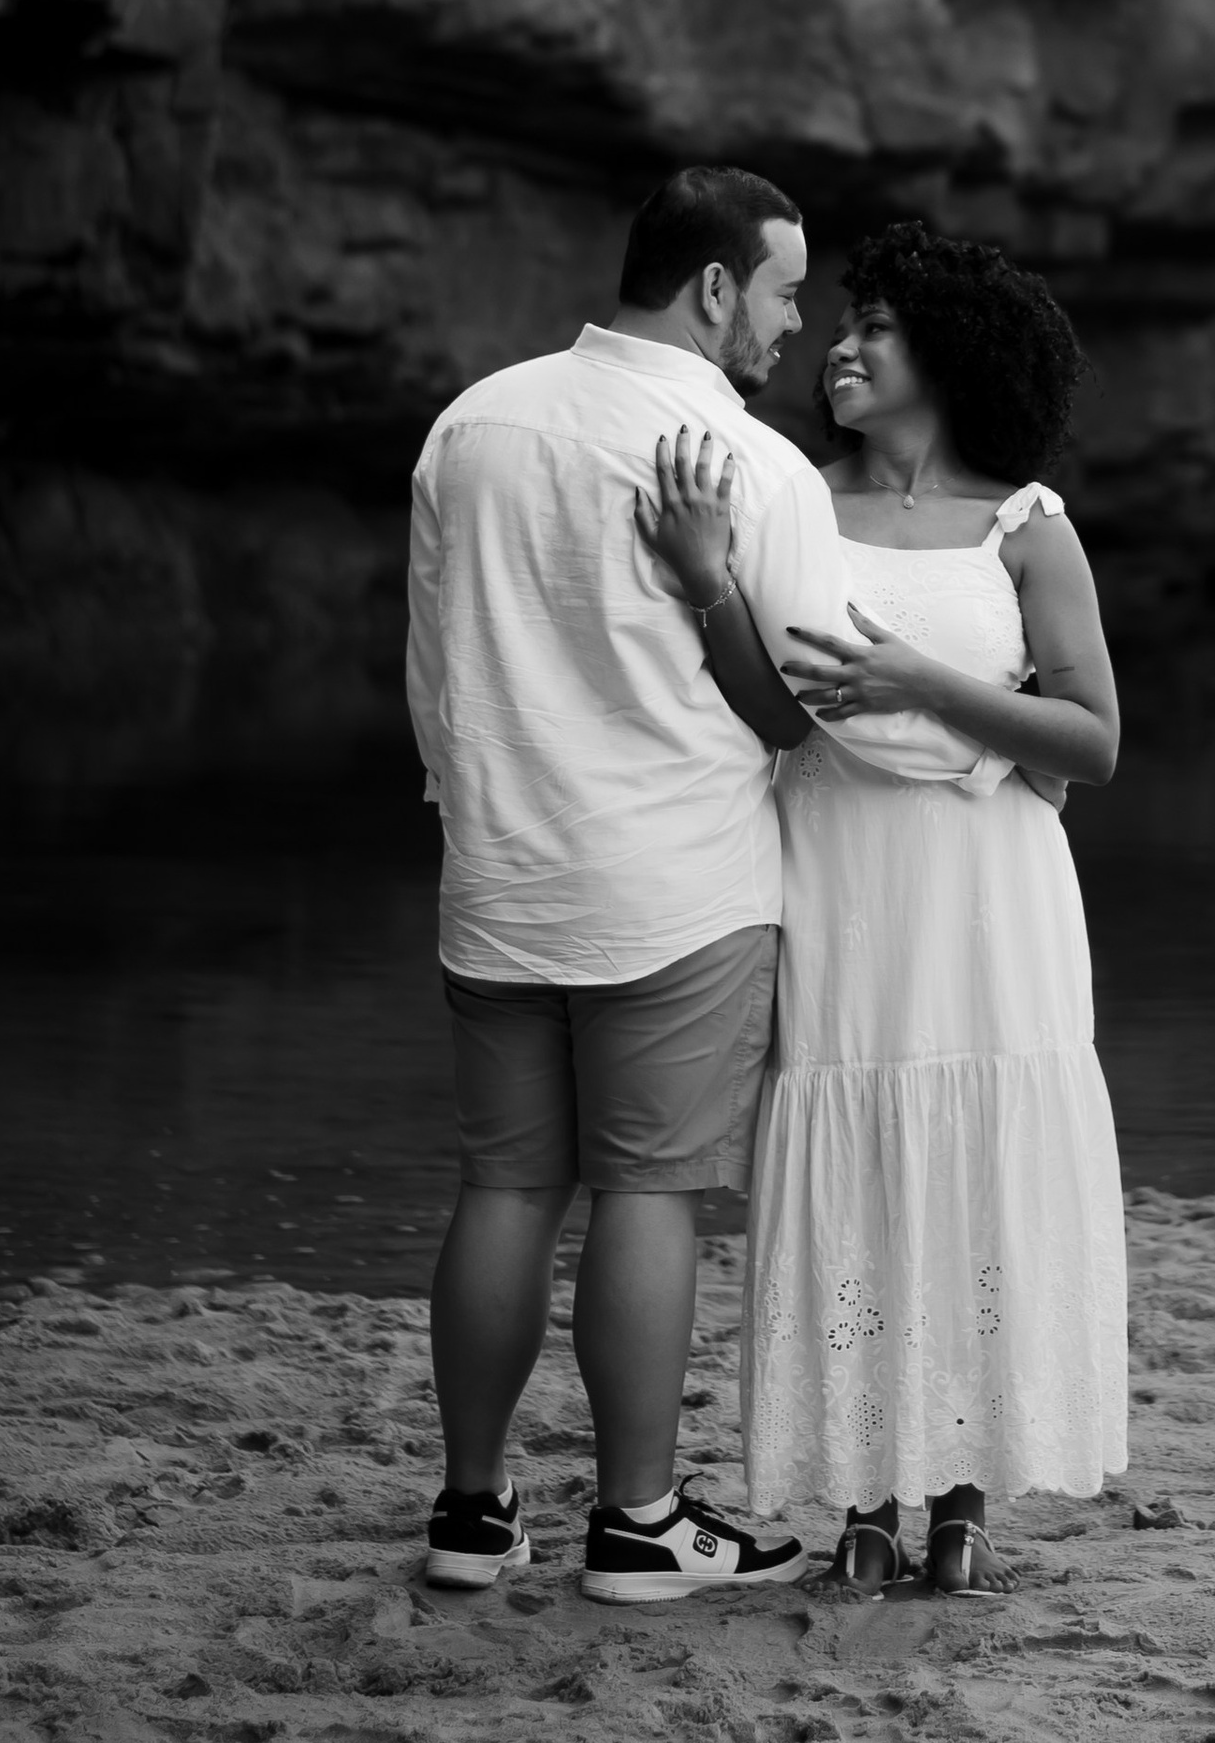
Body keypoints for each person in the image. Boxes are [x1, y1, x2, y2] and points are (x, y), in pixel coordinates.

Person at [405, 164, 998, 1606]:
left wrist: (470, 808)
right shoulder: (747, 463)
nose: (795, 327)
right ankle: (639, 1519)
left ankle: (472, 1515)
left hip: (498, 878)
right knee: (649, 1194)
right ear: (719, 285)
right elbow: (811, 701)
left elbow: (432, 676)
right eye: (786, 291)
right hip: (674, 891)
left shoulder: (469, 424)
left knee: (503, 1184)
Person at [645, 218, 1128, 1593]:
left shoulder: (1026, 525)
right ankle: (864, 1491)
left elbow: (1090, 738)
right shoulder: (789, 493)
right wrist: (701, 578)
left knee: (972, 1172)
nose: (841, 345)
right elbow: (768, 707)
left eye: (878, 327)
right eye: (840, 322)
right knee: (855, 1163)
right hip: (838, 874)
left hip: (991, 900)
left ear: (954, 352)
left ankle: (963, 1498)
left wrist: (927, 684)